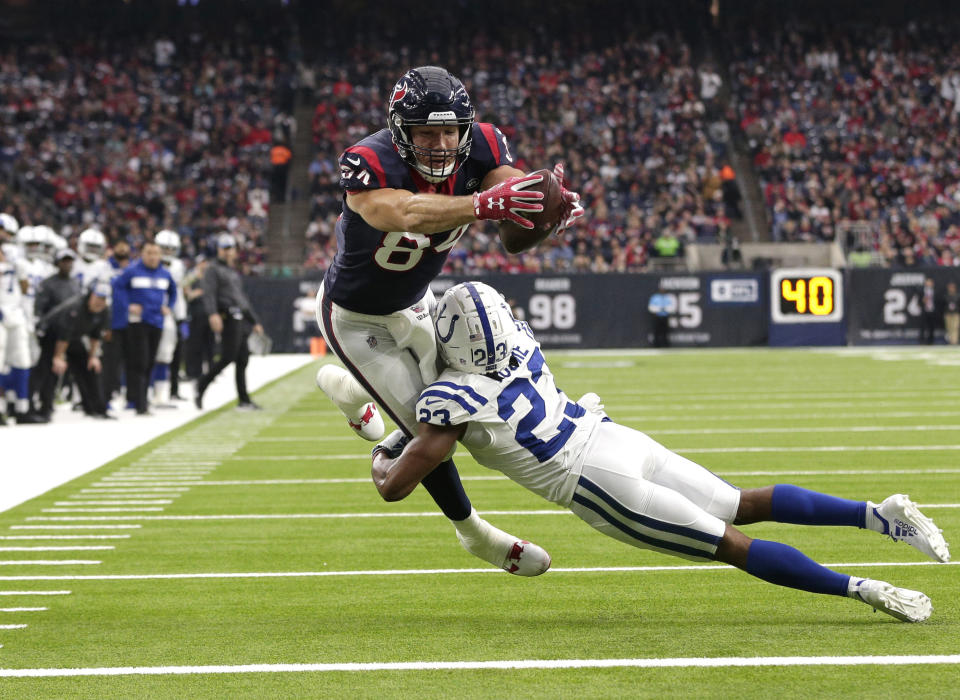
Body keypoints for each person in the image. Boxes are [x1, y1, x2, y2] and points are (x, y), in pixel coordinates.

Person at [371, 281, 949, 621]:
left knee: (732, 545)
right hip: (615, 437)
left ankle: (865, 590)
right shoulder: (519, 340)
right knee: (740, 503)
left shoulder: (453, 398)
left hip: (594, 481)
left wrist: (380, 451)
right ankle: (877, 516)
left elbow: (397, 485)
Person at [314, 65, 583, 575]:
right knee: (432, 426)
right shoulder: (367, 160)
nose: (441, 143)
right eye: (426, 132)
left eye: (449, 130)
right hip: (356, 317)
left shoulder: (481, 143)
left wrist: (542, 211)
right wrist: (482, 203)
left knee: (448, 401)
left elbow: (513, 217)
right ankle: (474, 533)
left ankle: (351, 393)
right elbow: (408, 213)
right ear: (400, 131)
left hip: (418, 300)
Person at [194, 233, 264, 411]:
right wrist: (212, 314)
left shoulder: (232, 271)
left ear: (234, 251)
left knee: (242, 359)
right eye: (224, 249)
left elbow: (242, 300)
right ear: (218, 250)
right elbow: (208, 293)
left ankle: (244, 400)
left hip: (239, 317)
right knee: (228, 356)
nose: (227, 252)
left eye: (230, 248)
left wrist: (254, 320)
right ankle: (202, 384)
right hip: (227, 316)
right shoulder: (212, 269)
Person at [112, 241, 176, 415]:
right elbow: (117, 287)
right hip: (138, 322)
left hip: (157, 322)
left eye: (156, 253)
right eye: (149, 253)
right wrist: (128, 305)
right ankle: (140, 403)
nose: (153, 256)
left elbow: (173, 291)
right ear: (142, 254)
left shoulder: (164, 273)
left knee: (149, 362)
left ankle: (136, 398)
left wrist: (168, 306)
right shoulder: (132, 271)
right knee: (140, 361)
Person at [37, 283, 112, 418]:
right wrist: (58, 357)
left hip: (73, 337)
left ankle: (96, 408)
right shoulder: (76, 308)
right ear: (90, 296)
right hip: (51, 335)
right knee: (53, 369)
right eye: (98, 298)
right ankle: (45, 409)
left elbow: (96, 335)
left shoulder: (104, 310)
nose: (100, 302)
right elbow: (63, 334)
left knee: (89, 367)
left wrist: (93, 356)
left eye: (103, 299)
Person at [920, 277, 937, 344]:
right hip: (924, 310)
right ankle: (922, 341)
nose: (928, 283)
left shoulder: (935, 290)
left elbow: (938, 301)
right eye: (927, 282)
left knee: (931, 326)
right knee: (923, 326)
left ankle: (931, 341)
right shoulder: (922, 290)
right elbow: (918, 301)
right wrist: (922, 301)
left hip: (932, 310)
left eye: (930, 282)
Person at [945, 281, 959, 346]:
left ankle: (954, 342)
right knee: (949, 328)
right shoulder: (946, 296)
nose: (951, 289)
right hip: (948, 314)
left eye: (952, 287)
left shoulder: (958, 295)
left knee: (955, 328)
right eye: (950, 287)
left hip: (956, 314)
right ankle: (951, 341)